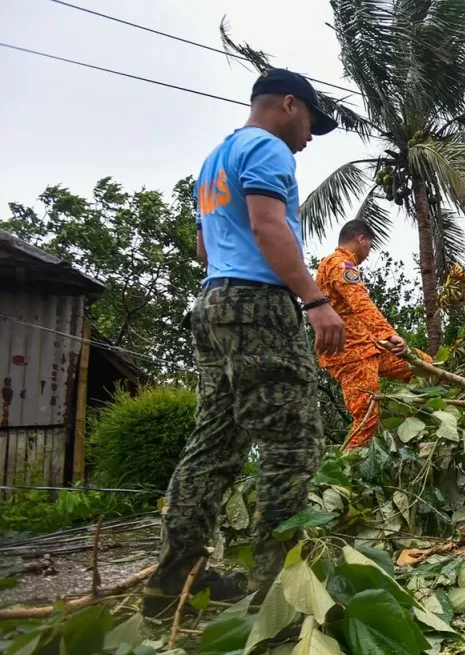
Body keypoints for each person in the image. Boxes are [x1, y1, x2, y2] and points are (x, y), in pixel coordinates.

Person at [144, 69, 344, 615]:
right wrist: (314, 299)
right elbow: (267, 224)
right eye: (310, 123)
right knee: (292, 442)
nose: (308, 137)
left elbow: (207, 249)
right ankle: (277, 588)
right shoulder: (271, 149)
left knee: (214, 443)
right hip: (259, 304)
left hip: (212, 304)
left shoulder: (214, 161)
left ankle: (172, 584)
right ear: (287, 104)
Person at [316, 219, 430, 450]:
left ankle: (416, 429)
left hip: (370, 347)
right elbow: (361, 304)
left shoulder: (337, 265)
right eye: (369, 246)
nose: (368, 253)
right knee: (367, 415)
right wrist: (390, 335)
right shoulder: (339, 264)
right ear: (361, 239)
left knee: (425, 367)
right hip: (351, 354)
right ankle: (346, 473)